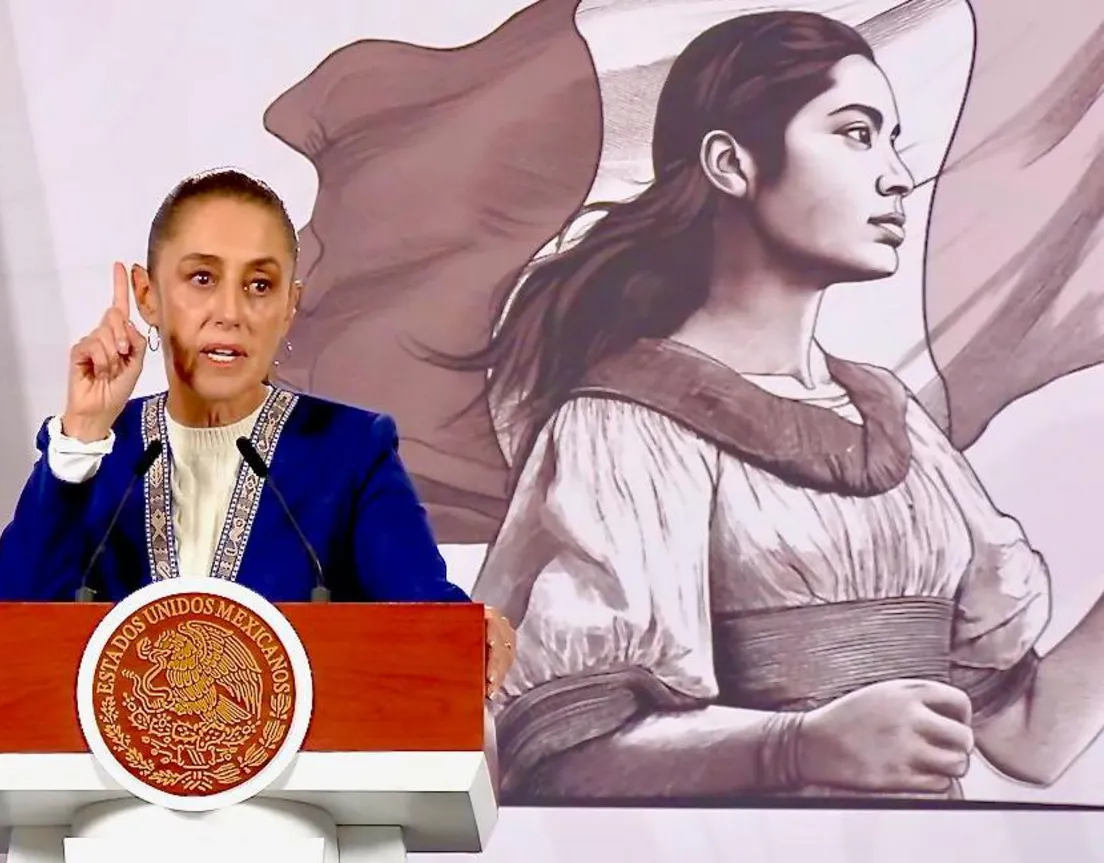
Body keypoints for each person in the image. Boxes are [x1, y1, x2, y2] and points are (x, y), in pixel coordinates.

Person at [464, 10, 1104, 801]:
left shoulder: (895, 418)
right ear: (731, 163)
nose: (898, 175)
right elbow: (558, 751)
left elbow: (1030, 735)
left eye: (893, 139)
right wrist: (796, 747)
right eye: (857, 134)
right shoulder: (627, 424)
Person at [0, 168, 516, 695]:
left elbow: (420, 606)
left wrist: (465, 632)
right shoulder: (96, 452)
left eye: (260, 285)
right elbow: (1, 636)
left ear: (289, 307)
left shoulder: (349, 450)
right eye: (202, 279)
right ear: (147, 295)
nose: (231, 313)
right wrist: (81, 435)